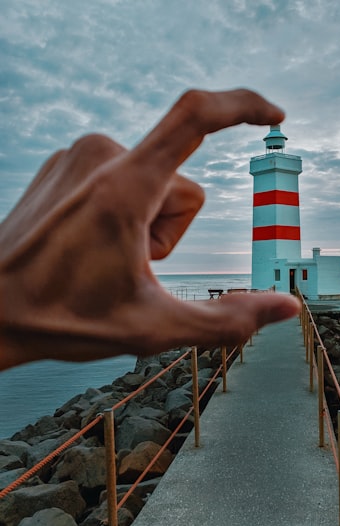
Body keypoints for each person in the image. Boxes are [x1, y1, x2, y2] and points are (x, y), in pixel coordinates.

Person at [0, 89, 301, 371]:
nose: (274, 149)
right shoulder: (274, 167)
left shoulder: (272, 168)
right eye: (273, 146)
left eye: (275, 146)